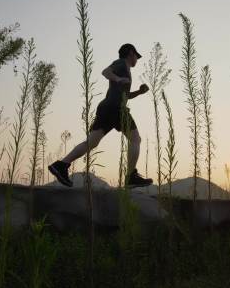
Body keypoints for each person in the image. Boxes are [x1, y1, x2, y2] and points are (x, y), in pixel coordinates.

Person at [48, 43, 154, 188]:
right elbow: (105, 72)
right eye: (137, 56)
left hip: (107, 108)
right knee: (135, 139)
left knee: (91, 142)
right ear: (130, 53)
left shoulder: (125, 69)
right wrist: (118, 79)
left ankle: (61, 164)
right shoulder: (121, 64)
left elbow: (125, 95)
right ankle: (131, 177)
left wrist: (139, 92)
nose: (137, 59)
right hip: (116, 109)